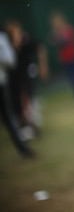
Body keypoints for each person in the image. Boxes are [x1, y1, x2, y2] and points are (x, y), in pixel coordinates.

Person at [6, 20, 48, 139]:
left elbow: (40, 47)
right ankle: (26, 126)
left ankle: (32, 125)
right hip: (16, 79)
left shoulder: (27, 39)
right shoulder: (9, 44)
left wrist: (43, 65)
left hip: (27, 75)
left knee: (29, 99)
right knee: (20, 102)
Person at [0, 26, 35, 158]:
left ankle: (23, 147)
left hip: (3, 83)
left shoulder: (2, 39)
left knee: (10, 115)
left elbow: (10, 60)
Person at [50, 11, 74, 100]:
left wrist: (57, 37)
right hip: (64, 58)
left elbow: (65, 42)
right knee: (71, 77)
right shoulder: (58, 31)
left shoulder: (68, 29)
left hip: (72, 56)